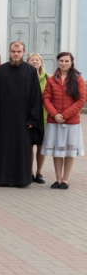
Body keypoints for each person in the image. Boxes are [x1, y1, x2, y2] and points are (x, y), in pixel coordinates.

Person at [0, 41, 43, 187]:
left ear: (23, 52)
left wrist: (33, 118)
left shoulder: (30, 71)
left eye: (18, 52)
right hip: (4, 118)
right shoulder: (1, 70)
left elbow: (35, 95)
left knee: (22, 149)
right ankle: (2, 179)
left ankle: (21, 179)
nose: (16, 54)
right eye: (13, 51)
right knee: (4, 148)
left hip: (23, 119)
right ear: (9, 52)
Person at [41, 52, 86, 190]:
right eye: (61, 60)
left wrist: (65, 115)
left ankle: (66, 179)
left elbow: (81, 99)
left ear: (71, 62)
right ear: (58, 62)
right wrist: (54, 114)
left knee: (69, 151)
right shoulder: (51, 79)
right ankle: (58, 178)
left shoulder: (78, 79)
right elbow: (46, 98)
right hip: (55, 121)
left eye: (67, 61)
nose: (64, 63)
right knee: (57, 151)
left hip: (71, 122)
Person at [26, 53, 49, 184]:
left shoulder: (48, 78)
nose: (34, 61)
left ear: (41, 62)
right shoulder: (24, 77)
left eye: (37, 59)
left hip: (44, 117)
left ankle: (39, 172)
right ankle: (28, 171)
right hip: (28, 117)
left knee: (41, 146)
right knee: (28, 146)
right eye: (31, 59)